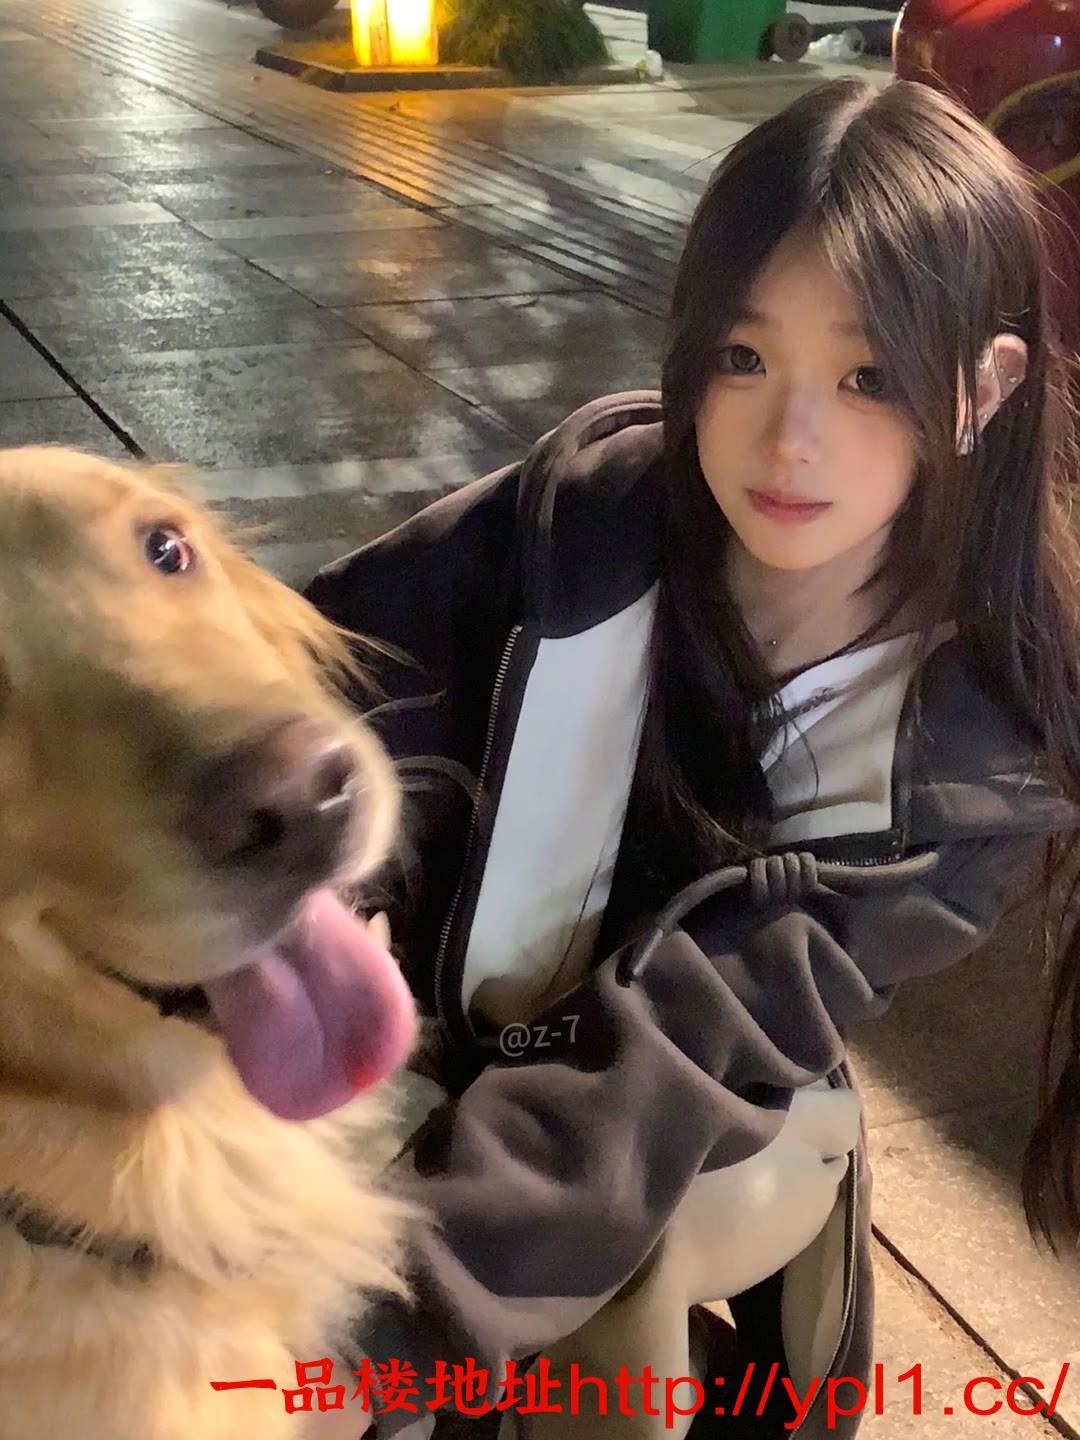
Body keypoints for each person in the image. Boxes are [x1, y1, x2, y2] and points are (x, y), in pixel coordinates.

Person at [303, 77, 1080, 1439]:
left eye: (869, 377)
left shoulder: (972, 768)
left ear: (981, 391)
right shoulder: (591, 516)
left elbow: (673, 1043)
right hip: (449, 1035)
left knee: (594, 1295)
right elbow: (320, 681)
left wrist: (369, 1333)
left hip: (696, 1122)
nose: (789, 439)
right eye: (742, 357)